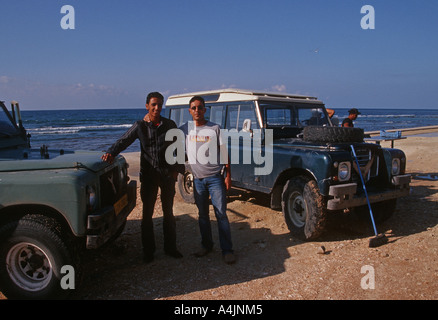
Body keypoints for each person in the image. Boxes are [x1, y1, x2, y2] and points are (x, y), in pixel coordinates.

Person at [102, 91, 183, 263]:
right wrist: (110, 152)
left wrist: (178, 169)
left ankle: (171, 248)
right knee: (147, 215)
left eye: (159, 105)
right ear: (147, 106)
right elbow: (124, 140)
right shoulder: (140, 126)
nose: (156, 108)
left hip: (167, 175)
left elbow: (179, 147)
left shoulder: (169, 124)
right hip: (149, 176)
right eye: (153, 104)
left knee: (168, 213)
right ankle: (149, 252)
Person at [180, 96, 236, 264]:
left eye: (200, 107)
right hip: (197, 181)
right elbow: (164, 130)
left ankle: (227, 250)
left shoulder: (215, 128)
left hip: (215, 179)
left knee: (221, 215)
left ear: (205, 110)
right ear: (189, 111)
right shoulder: (185, 130)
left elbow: (224, 152)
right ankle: (207, 246)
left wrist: (228, 175)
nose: (197, 110)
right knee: (202, 215)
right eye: (193, 108)